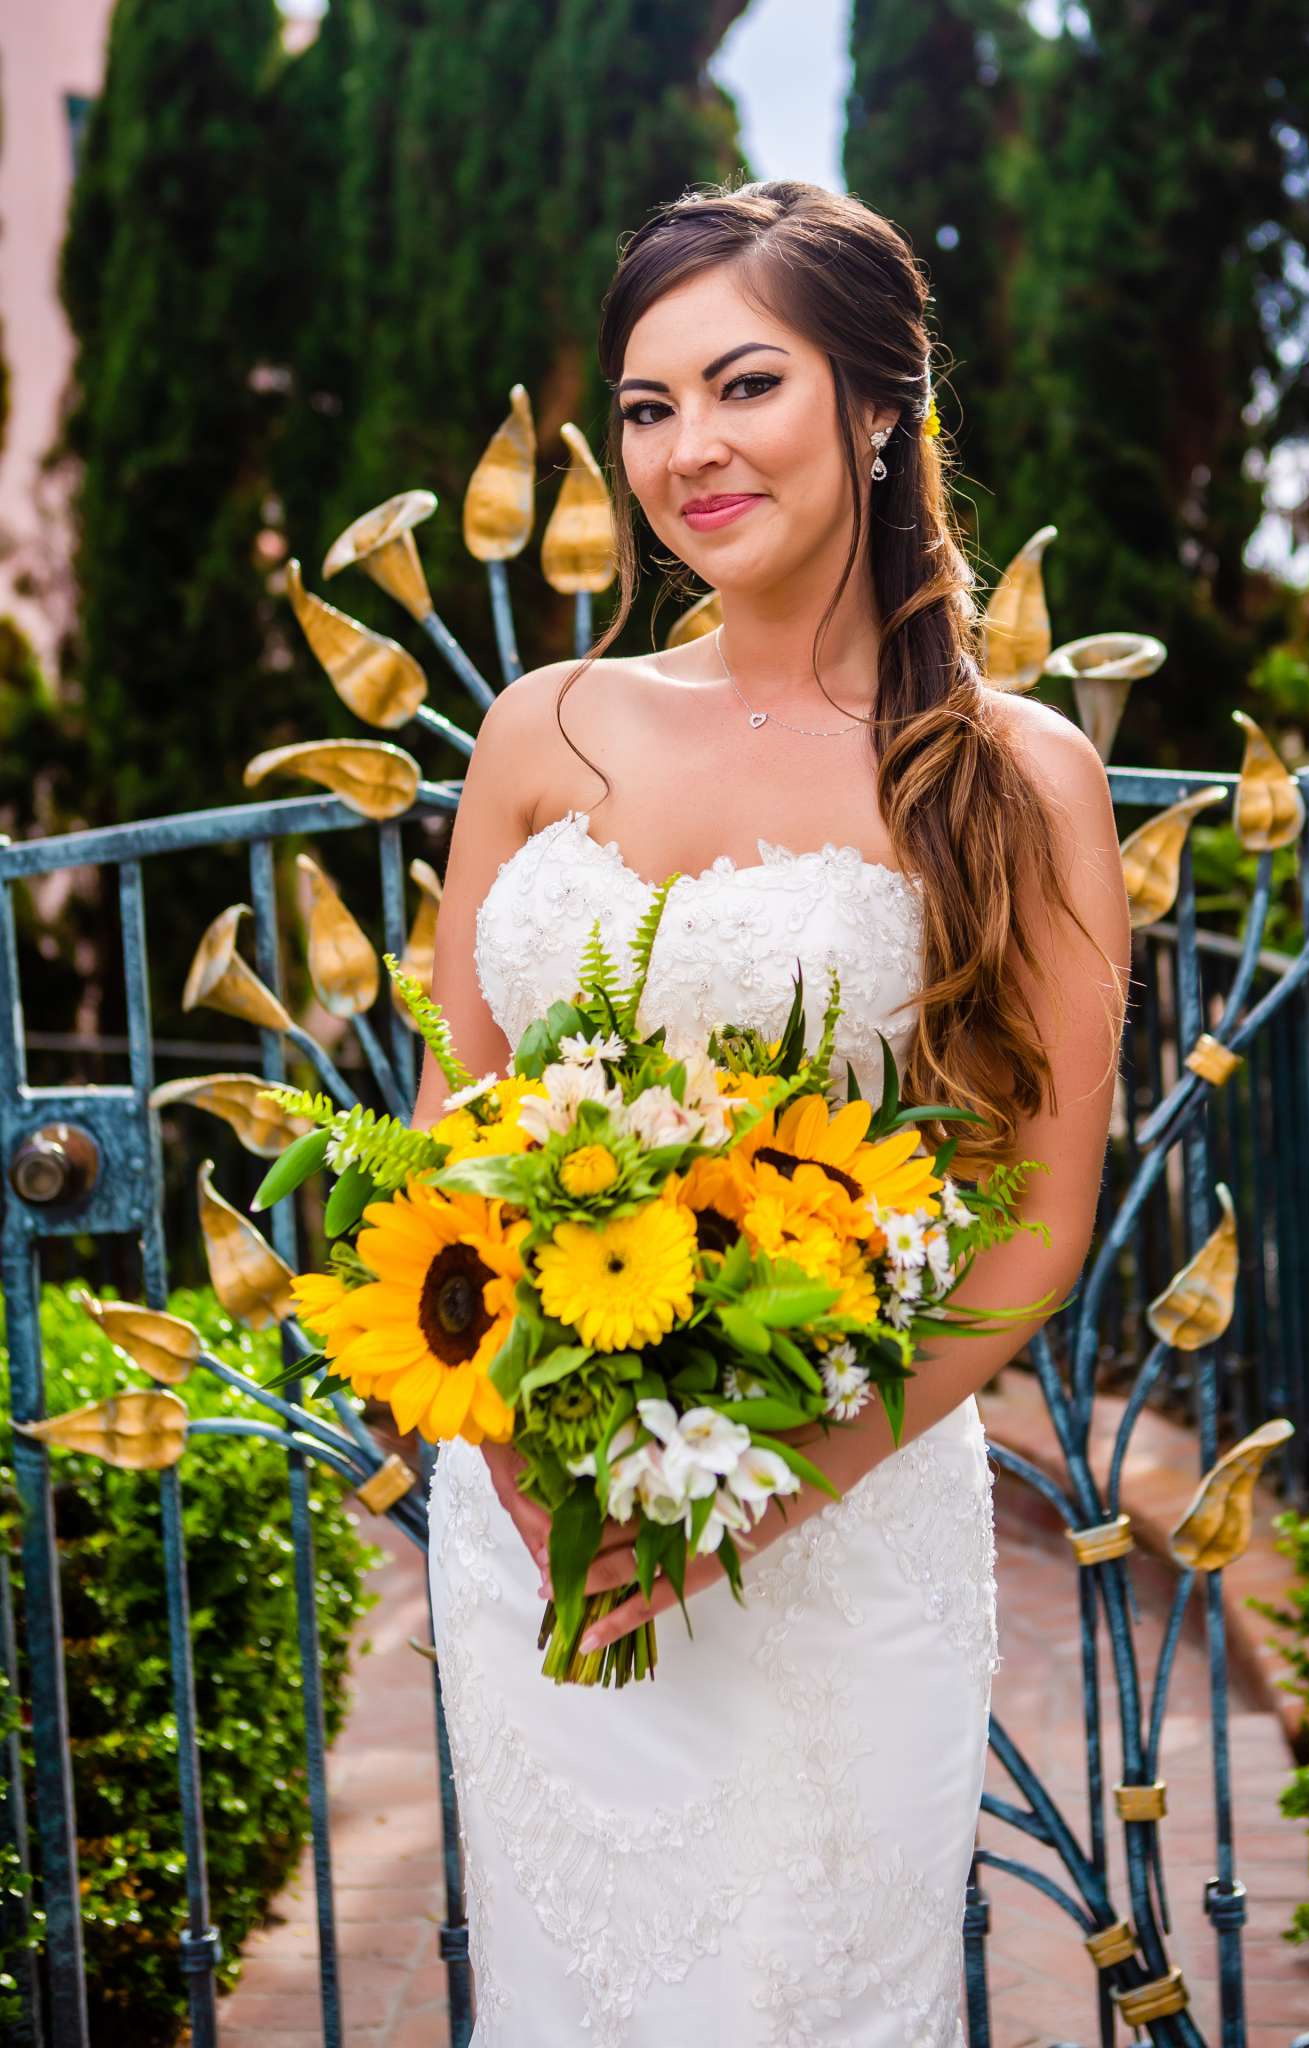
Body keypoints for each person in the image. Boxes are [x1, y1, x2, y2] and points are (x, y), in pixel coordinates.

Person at [415, 178, 1130, 2045]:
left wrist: (754, 1504)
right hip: (534, 1527)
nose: (689, 451)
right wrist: (500, 1434)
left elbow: (1033, 1221)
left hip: (839, 1514)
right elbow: (443, 1146)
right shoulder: (538, 730)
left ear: (877, 408)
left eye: (745, 387)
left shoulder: (1015, 777)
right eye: (647, 408)